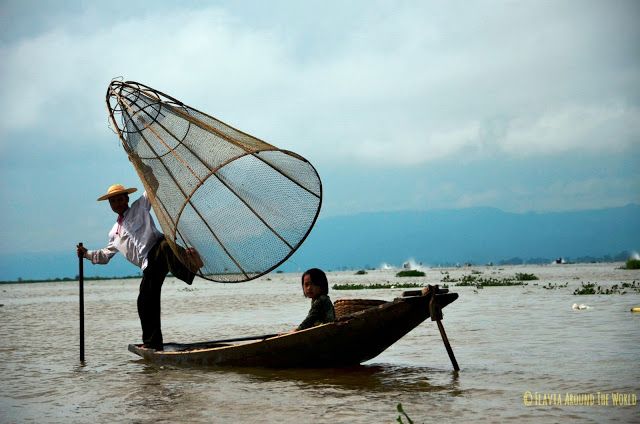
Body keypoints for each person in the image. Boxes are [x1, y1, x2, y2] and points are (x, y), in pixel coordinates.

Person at [76, 183, 203, 351]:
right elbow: (105, 256)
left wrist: (143, 164)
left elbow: (153, 185)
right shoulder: (114, 232)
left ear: (127, 199)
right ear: (110, 205)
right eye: (113, 201)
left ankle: (190, 268)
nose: (118, 203)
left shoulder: (140, 206)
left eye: (120, 199)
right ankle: (153, 343)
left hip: (157, 247)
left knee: (166, 246)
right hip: (148, 264)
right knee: (144, 302)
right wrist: (86, 254)